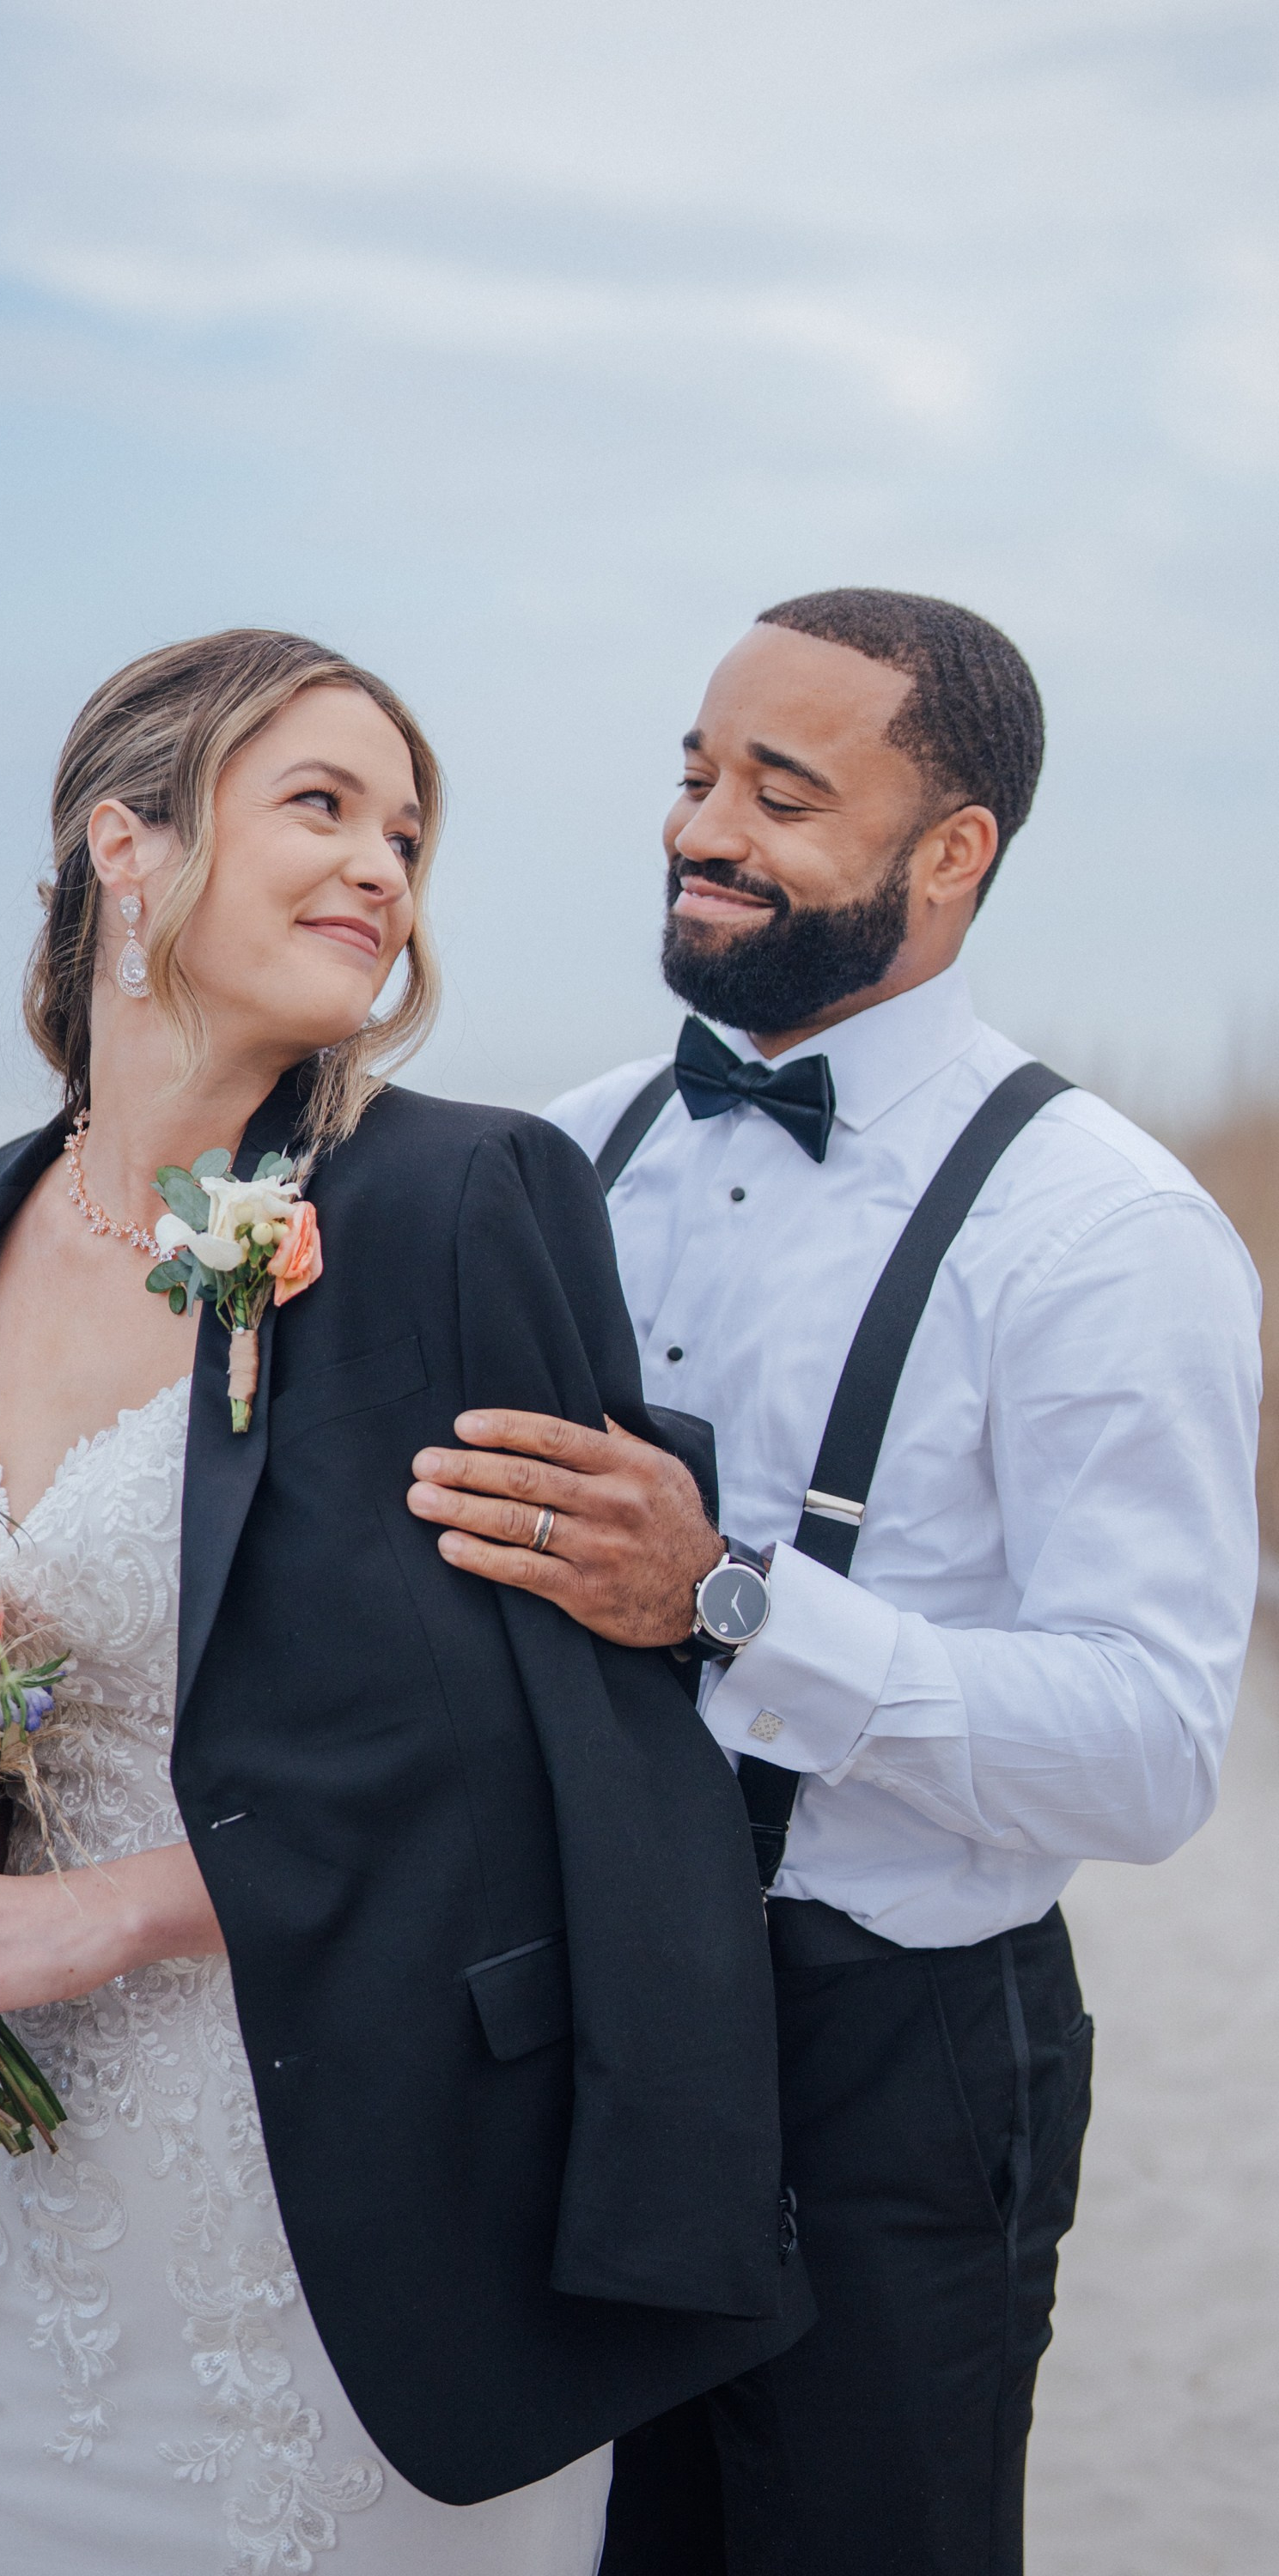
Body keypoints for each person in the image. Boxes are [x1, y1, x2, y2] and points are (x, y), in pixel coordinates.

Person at [0, 629, 811, 2576]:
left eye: (407, 832)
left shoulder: (467, 1199)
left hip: (353, 2220)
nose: (385, 868)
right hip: (23, 2217)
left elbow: (528, 1768)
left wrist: (85, 1920)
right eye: (319, 803)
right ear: (123, 848)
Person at [405, 588, 1263, 2574]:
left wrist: (732, 1608)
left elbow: (1148, 1752)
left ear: (949, 854)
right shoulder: (566, 1151)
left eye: (781, 793)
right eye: (697, 773)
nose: (704, 826)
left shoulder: (1103, 1232)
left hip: (887, 2052)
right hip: (575, 2014)